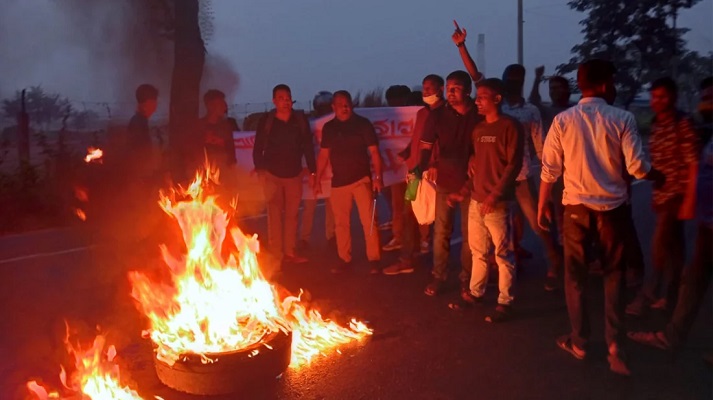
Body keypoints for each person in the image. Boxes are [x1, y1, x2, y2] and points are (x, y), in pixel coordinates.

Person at [537, 59, 664, 376]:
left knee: (575, 279)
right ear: (606, 84)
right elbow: (637, 168)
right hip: (613, 212)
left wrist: (542, 205)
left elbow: (550, 170)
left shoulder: (563, 121)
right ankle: (615, 347)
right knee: (613, 277)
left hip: (576, 211)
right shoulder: (623, 118)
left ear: (581, 84)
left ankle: (579, 342)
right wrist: (659, 176)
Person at [627, 81, 712, 361]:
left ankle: (648, 294)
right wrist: (655, 192)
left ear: (673, 98)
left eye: (662, 96)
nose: (656, 101)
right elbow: (658, 162)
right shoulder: (657, 124)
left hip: (679, 193)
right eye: (653, 97)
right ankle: (670, 299)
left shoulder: (683, 124)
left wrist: (689, 200)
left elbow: (693, 163)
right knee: (677, 255)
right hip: (666, 194)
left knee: (660, 244)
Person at [449, 78, 524, 323]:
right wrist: (464, 190)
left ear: (497, 99)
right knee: (477, 251)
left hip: (497, 203)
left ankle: (506, 301)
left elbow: (513, 165)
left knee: (503, 255)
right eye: (477, 97)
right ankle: (475, 293)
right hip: (476, 201)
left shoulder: (510, 127)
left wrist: (494, 195)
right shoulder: (479, 130)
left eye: (482, 96)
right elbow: (477, 167)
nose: (478, 101)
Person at [418, 70, 479, 296]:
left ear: (468, 90)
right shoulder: (437, 116)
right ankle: (439, 276)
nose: (450, 93)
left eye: (456, 88)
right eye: (448, 89)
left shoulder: (478, 114)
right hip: (445, 181)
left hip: (472, 183)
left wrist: (475, 156)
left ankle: (467, 279)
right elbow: (425, 147)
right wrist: (420, 169)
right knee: (441, 232)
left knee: (470, 234)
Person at [383, 74, 445, 275]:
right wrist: (407, 153)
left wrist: (435, 163)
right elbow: (418, 140)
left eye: (430, 88)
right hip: (415, 172)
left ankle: (439, 267)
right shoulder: (421, 114)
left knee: (439, 217)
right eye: (425, 88)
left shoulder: (447, 114)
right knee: (408, 212)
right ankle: (408, 257)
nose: (426, 91)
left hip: (434, 173)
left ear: (440, 89)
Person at [315, 90, 384, 274]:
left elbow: (375, 153)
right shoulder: (329, 128)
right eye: (340, 105)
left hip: (361, 180)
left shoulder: (363, 124)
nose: (344, 108)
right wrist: (317, 179)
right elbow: (323, 155)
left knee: (369, 221)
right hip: (338, 183)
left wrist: (378, 178)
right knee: (341, 224)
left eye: (347, 104)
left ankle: (374, 259)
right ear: (333, 107)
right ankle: (344, 259)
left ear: (351, 105)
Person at [253, 84, 316, 265]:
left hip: (294, 175)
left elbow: (308, 146)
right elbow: (258, 147)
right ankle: (276, 255)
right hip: (272, 175)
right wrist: (260, 170)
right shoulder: (267, 120)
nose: (285, 101)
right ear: (274, 101)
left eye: (288, 98)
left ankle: (290, 252)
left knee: (292, 215)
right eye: (281, 98)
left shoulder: (299, 119)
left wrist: (312, 171)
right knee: (274, 214)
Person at [188, 90, 240, 207]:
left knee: (225, 204)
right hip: (205, 174)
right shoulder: (199, 126)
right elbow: (193, 151)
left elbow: (230, 150)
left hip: (223, 173)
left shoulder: (227, 126)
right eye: (220, 103)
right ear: (210, 106)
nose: (224, 106)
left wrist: (232, 170)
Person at [299, 91, 336, 250]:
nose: (324, 109)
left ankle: (332, 236)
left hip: (332, 168)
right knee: (309, 206)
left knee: (332, 206)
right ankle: (304, 238)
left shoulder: (336, 123)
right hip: (312, 168)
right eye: (322, 106)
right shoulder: (310, 123)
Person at [382, 84, 413, 250]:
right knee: (397, 205)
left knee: (414, 205)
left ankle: (420, 239)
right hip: (395, 170)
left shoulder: (416, 116)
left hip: (414, 170)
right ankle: (399, 235)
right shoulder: (387, 117)